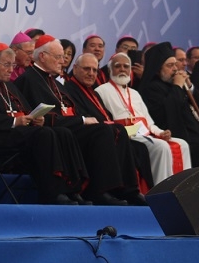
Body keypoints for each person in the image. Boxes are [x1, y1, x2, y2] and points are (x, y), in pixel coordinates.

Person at [15, 35, 136, 205]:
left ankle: (127, 190)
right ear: (42, 57)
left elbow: (72, 110)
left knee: (117, 130)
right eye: (58, 57)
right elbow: (38, 116)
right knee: (101, 131)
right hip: (55, 130)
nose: (63, 62)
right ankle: (98, 191)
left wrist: (81, 120)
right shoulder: (28, 80)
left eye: (63, 57)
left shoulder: (55, 83)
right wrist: (82, 121)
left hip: (69, 128)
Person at [0, 42, 88, 205]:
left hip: (18, 133)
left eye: (13, 65)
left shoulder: (9, 85)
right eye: (7, 65)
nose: (11, 70)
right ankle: (51, 192)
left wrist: (36, 118)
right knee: (44, 134)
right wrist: (15, 121)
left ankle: (72, 188)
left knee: (62, 132)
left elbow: (27, 110)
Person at [62, 53, 148, 204]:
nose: (91, 73)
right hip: (81, 135)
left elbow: (105, 116)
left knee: (127, 137)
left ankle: (129, 190)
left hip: (100, 132)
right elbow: (80, 116)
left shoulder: (93, 92)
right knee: (107, 132)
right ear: (75, 69)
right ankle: (101, 190)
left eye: (94, 70)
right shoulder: (68, 89)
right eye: (87, 69)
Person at [96, 52, 191, 185]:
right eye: (118, 66)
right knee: (161, 147)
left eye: (126, 66)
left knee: (182, 144)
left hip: (144, 133)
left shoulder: (135, 93)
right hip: (125, 135)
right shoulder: (102, 91)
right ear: (110, 70)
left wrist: (160, 132)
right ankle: (160, 189)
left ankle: (183, 189)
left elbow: (149, 122)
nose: (122, 69)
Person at [138, 42, 199, 167]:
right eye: (170, 65)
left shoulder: (174, 83)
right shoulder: (152, 88)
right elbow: (168, 111)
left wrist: (189, 86)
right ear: (158, 69)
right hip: (178, 134)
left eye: (175, 64)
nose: (175, 69)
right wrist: (178, 87)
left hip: (196, 133)